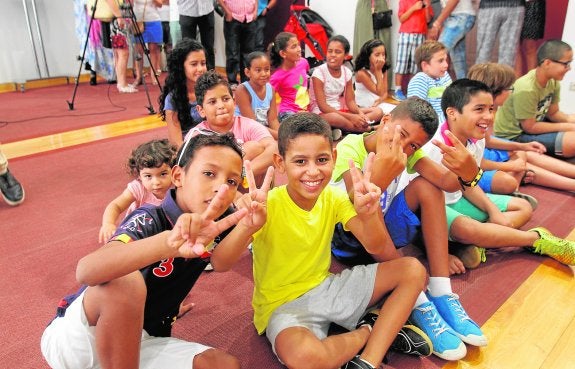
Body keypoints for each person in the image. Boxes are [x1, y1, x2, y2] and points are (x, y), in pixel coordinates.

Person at [40, 132, 272, 369]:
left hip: (138, 341)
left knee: (223, 365)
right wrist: (167, 243)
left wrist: (246, 227)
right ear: (178, 176)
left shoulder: (215, 221)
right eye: (209, 174)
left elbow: (222, 263)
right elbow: (86, 271)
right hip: (80, 338)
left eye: (231, 182)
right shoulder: (149, 218)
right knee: (125, 281)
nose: (220, 188)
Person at [246, 112, 431, 369]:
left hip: (327, 288)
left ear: (333, 158)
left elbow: (375, 245)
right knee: (304, 358)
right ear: (280, 163)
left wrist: (369, 214)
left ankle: (367, 362)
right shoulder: (267, 204)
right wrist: (244, 222)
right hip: (282, 307)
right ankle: (370, 330)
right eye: (300, 161)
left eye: (321, 159)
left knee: (413, 270)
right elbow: (221, 261)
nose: (312, 171)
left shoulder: (333, 197)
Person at [331, 97, 486, 360]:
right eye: (401, 135)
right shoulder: (351, 148)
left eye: (413, 145)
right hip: (352, 239)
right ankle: (418, 301)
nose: (402, 147)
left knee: (428, 187)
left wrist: (470, 171)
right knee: (373, 209)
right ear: (386, 121)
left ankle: (441, 290)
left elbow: (447, 182)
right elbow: (359, 210)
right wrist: (384, 171)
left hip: (383, 233)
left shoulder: (409, 153)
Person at [423, 78, 575, 268]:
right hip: (434, 208)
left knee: (523, 207)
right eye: (479, 109)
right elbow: (420, 205)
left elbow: (468, 184)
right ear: (452, 113)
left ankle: (478, 242)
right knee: (467, 228)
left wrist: (493, 210)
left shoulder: (476, 139)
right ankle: (535, 239)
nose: (488, 116)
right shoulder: (433, 147)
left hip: (458, 199)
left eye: (491, 109)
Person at [469, 63, 575, 193]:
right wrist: (511, 165)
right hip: (473, 167)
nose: (510, 92)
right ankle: (514, 187)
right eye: (509, 89)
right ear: (496, 91)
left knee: (522, 154)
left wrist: (523, 147)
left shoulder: (487, 111)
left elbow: (488, 141)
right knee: (515, 169)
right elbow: (476, 160)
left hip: (484, 155)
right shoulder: (476, 118)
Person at [183, 71, 277, 186]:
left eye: (225, 99)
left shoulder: (248, 125)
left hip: (246, 188)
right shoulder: (196, 135)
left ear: (234, 102)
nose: (221, 106)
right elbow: (190, 172)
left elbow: (274, 149)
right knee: (251, 148)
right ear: (201, 110)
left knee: (255, 148)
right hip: (213, 191)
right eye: (212, 102)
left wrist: (241, 174)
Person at [494, 40, 575, 159]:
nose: (569, 68)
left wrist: (569, 120)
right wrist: (568, 127)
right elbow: (530, 127)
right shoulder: (527, 88)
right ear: (547, 63)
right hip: (514, 136)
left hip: (533, 125)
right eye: (566, 64)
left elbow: (553, 113)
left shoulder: (553, 81)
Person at [99, 139, 177, 243]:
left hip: (164, 232)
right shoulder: (139, 188)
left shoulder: (177, 186)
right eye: (148, 176)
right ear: (139, 176)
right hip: (137, 232)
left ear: (174, 170)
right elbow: (116, 205)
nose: (156, 182)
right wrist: (108, 223)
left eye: (163, 174)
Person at [310, 35, 381, 136]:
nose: (333, 55)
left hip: (340, 111)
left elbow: (350, 101)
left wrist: (360, 115)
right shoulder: (319, 73)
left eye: (337, 52)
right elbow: (323, 107)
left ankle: (347, 127)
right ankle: (368, 129)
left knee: (377, 111)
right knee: (335, 118)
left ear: (345, 55)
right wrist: (351, 117)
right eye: (330, 51)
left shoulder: (347, 72)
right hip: (321, 114)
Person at [159, 38, 207, 147]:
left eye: (203, 63)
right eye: (194, 64)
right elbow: (176, 143)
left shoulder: (211, 90)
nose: (200, 69)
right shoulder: (172, 99)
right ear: (181, 67)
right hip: (188, 149)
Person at [234, 51, 280, 139]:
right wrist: (279, 136)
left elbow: (273, 120)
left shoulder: (271, 89)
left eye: (267, 69)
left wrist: (281, 135)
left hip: (263, 130)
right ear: (247, 72)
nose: (264, 74)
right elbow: (252, 124)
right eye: (258, 70)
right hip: (244, 132)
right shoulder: (242, 90)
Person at [393, 0, 432, 102]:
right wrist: (413, 8)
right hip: (405, 34)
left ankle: (412, 90)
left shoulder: (426, 2)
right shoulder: (404, 1)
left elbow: (428, 19)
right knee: (402, 62)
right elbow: (401, 18)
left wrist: (427, 6)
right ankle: (397, 90)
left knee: (415, 65)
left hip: (420, 35)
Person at [427, 0, 476, 79]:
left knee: (437, 52)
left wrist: (437, 24)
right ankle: (463, 88)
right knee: (458, 58)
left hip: (461, 16)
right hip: (455, 17)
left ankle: (428, 86)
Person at [407, 40, 452, 123]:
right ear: (425, 66)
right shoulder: (420, 79)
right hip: (432, 126)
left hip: (450, 121)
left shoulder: (445, 76)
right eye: (440, 61)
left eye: (446, 60)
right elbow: (415, 112)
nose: (446, 65)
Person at [269, 32, 310, 121]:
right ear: (283, 53)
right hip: (287, 112)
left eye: (298, 45)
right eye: (294, 47)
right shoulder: (276, 77)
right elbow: (268, 98)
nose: (299, 49)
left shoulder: (303, 63)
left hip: (305, 110)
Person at [353, 0, 393, 87]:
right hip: (364, 6)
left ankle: (384, 84)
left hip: (382, 5)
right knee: (364, 43)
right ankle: (363, 83)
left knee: (383, 45)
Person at [217, 0, 257, 86]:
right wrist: (227, 12)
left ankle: (246, 82)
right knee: (232, 53)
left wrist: (255, 11)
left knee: (248, 54)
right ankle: (232, 82)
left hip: (250, 19)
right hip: (233, 19)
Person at [475, 0, 524, 67]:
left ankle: (479, 76)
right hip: (513, 6)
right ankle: (480, 76)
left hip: (512, 5)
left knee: (484, 51)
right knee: (508, 53)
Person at [353, 38, 394, 118]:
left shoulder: (383, 69)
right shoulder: (362, 73)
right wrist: (378, 70)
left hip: (377, 105)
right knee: (378, 114)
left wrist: (380, 100)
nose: (381, 58)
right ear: (368, 56)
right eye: (377, 55)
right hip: (362, 107)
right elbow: (379, 92)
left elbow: (384, 93)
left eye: (383, 54)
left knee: (398, 112)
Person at [177, 0, 215, 71]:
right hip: (187, 10)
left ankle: (210, 77)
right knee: (188, 49)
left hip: (207, 9)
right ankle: (189, 77)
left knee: (209, 47)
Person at [133, 0, 164, 85]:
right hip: (138, 20)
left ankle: (154, 76)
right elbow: (129, 4)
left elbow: (160, 4)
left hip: (154, 20)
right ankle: (139, 77)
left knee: (153, 49)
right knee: (138, 50)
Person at [516, 0, 546, 75]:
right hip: (513, 5)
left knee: (530, 47)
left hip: (533, 5)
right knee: (514, 47)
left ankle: (531, 81)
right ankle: (515, 82)